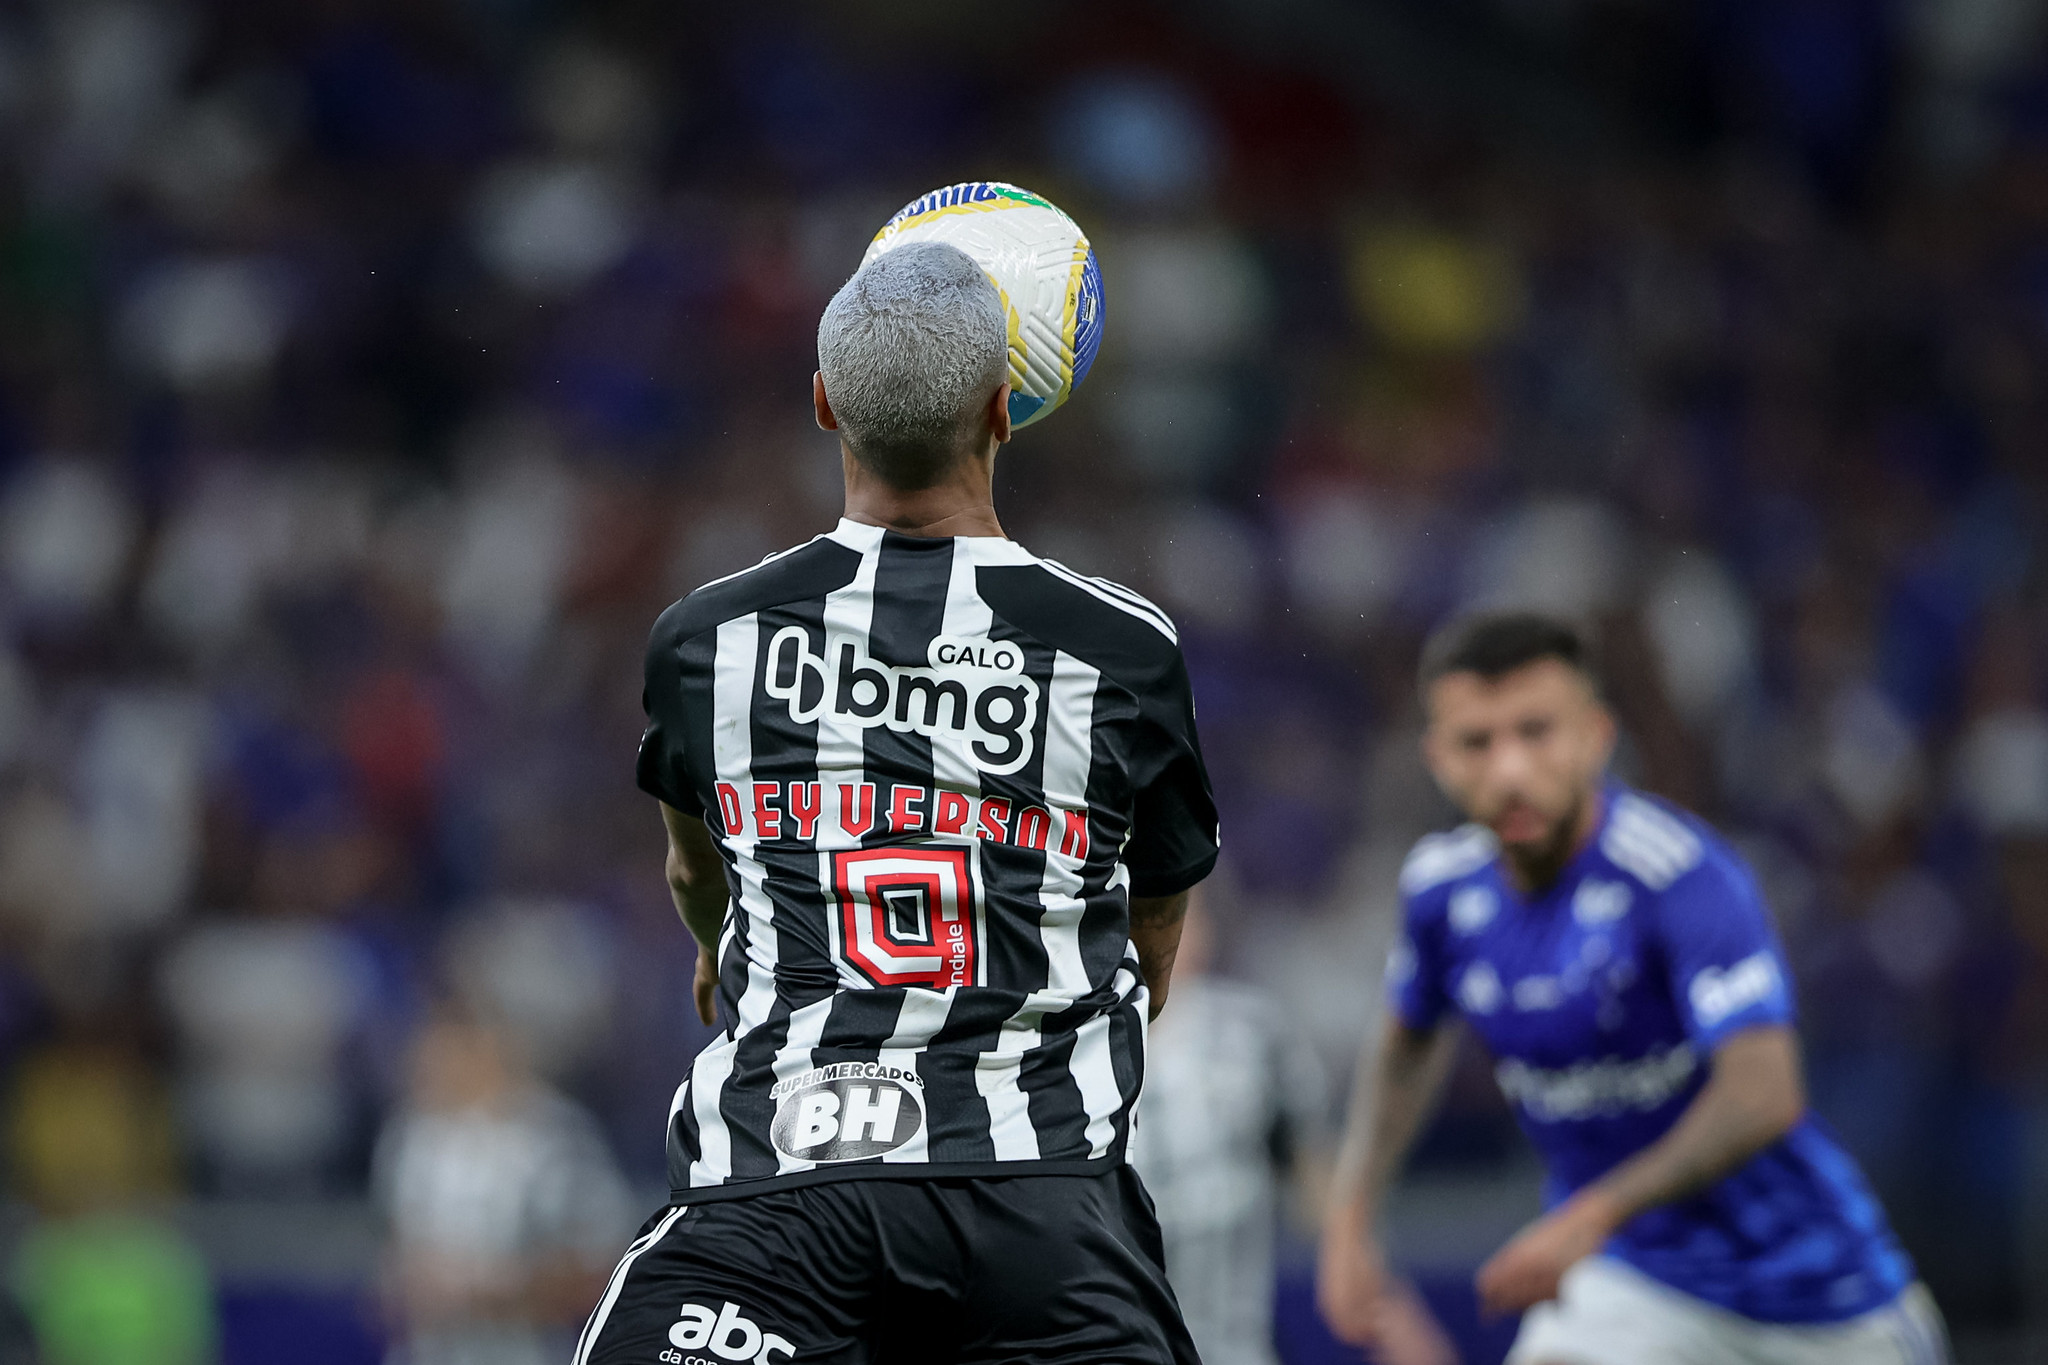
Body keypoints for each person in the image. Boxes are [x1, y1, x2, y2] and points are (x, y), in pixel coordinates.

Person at [578, 241, 1220, 1365]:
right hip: (1041, 1220)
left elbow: (698, 877)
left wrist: (717, 945)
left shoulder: (704, 640)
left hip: (773, 1201)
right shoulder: (1122, 648)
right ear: (1002, 410)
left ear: (822, 404)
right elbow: (1151, 938)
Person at [1316, 612, 1951, 1365]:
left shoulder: (1680, 875)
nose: (1510, 769)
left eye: (1536, 731)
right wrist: (1351, 1218)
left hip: (1820, 1297)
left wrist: (1591, 1214)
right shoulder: (1439, 892)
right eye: (1477, 742)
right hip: (1631, 1284)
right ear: (1436, 757)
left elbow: (1764, 1091)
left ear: (1596, 735)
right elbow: (1406, 1048)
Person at [1128, 895, 1332, 1365]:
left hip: (1234, 1344)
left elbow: (1314, 1172)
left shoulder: (1254, 1033)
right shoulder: (1072, 1043)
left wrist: (1385, 1305)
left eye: (1174, 910)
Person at [375, 1015, 633, 1365]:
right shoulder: (409, 1137)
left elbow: (608, 1269)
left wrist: (499, 1291)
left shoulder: (556, 1136)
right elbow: (390, 1276)